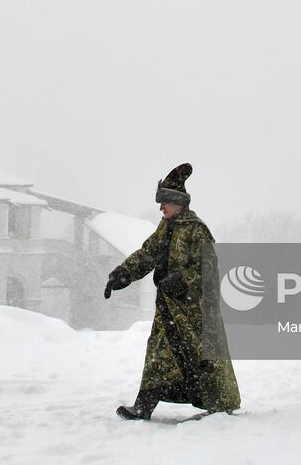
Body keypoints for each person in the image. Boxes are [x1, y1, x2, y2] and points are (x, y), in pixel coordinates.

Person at [104, 163, 241, 421]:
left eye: (164, 201)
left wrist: (183, 281)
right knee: (158, 355)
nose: (160, 207)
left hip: (193, 313)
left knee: (202, 360)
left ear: (178, 203)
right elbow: (147, 254)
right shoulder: (165, 227)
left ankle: (221, 405)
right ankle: (144, 407)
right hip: (168, 308)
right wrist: (122, 274)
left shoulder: (197, 229)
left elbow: (208, 268)